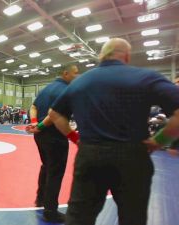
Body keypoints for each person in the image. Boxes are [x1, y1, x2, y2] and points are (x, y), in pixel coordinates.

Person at [45, 38, 179, 225]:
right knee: (133, 217)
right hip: (132, 156)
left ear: (101, 56)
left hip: (90, 155)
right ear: (127, 55)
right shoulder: (145, 77)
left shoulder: (80, 82)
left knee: (79, 217)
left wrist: (74, 137)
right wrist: (159, 141)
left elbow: (54, 114)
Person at [26, 64, 79, 223]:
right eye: (75, 73)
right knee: (55, 173)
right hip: (55, 137)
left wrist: (35, 123)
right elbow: (54, 114)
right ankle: (50, 211)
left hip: (41, 137)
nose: (77, 76)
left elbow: (33, 106)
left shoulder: (46, 88)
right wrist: (40, 126)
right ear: (65, 73)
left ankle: (40, 199)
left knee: (46, 166)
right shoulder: (66, 90)